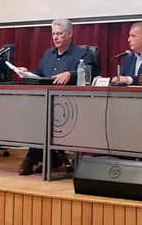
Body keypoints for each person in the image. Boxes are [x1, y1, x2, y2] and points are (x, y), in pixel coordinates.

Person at [15, 18, 98, 175]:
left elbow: (91, 73)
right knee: (31, 114)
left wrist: (71, 74)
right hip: (46, 102)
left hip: (70, 105)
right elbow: (39, 75)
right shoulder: (48, 54)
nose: (55, 37)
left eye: (59, 34)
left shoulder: (82, 54)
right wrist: (26, 72)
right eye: (53, 34)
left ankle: (32, 158)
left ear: (69, 34)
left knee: (42, 117)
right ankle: (52, 158)